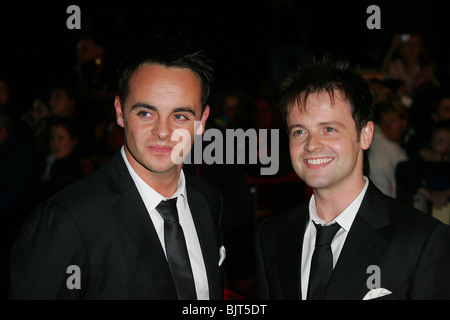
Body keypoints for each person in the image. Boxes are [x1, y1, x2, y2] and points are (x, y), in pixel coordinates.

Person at [9, 34, 225, 300]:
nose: (162, 131)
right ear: (120, 112)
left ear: (202, 121)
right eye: (146, 113)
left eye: (180, 116)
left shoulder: (208, 201)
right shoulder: (67, 220)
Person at [255, 57, 450, 300]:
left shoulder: (421, 240)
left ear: (365, 135)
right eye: (299, 131)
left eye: (329, 129)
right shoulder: (271, 236)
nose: (312, 145)